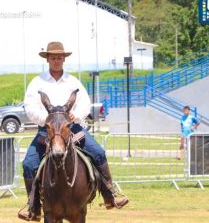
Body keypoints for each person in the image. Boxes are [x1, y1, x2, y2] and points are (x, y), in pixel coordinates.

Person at [18, 42, 128, 221]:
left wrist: (74, 115)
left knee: (98, 153)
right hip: (48, 130)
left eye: (59, 57)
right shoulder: (37, 82)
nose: (56, 60)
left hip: (72, 127)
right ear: (47, 59)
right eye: (53, 57)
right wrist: (48, 119)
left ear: (64, 59)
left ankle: (110, 195)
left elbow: (84, 103)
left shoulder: (73, 82)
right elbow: (29, 107)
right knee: (29, 164)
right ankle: (34, 207)